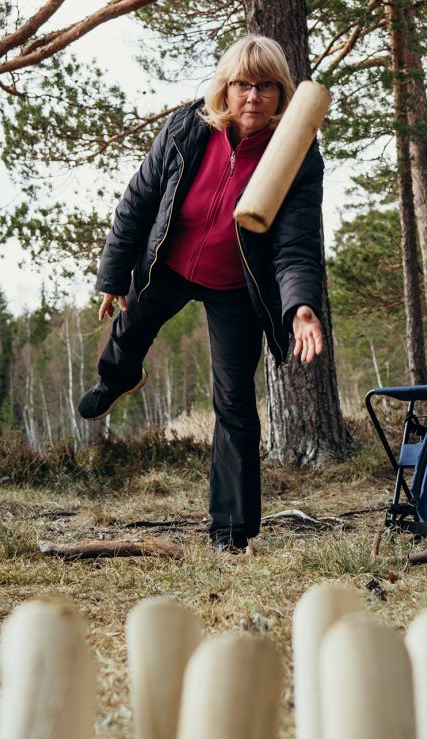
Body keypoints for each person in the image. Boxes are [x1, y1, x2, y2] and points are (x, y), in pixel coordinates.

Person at [78, 34, 326, 553]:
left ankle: (231, 531)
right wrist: (112, 276)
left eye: (265, 87)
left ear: (282, 93)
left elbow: (296, 243)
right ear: (224, 88)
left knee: (235, 403)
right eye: (241, 85)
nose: (252, 97)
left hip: (237, 285)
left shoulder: (296, 157)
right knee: (130, 329)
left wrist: (301, 307)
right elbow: (138, 203)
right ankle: (118, 379)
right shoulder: (187, 128)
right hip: (166, 263)